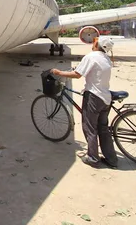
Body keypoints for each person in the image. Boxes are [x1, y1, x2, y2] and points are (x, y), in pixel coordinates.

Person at [50, 36, 118, 168]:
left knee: (90, 128)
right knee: (103, 129)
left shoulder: (91, 56)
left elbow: (77, 75)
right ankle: (111, 159)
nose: (93, 43)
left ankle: (93, 158)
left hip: (94, 97)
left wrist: (59, 72)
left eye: (95, 42)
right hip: (105, 97)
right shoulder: (106, 58)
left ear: (97, 44)